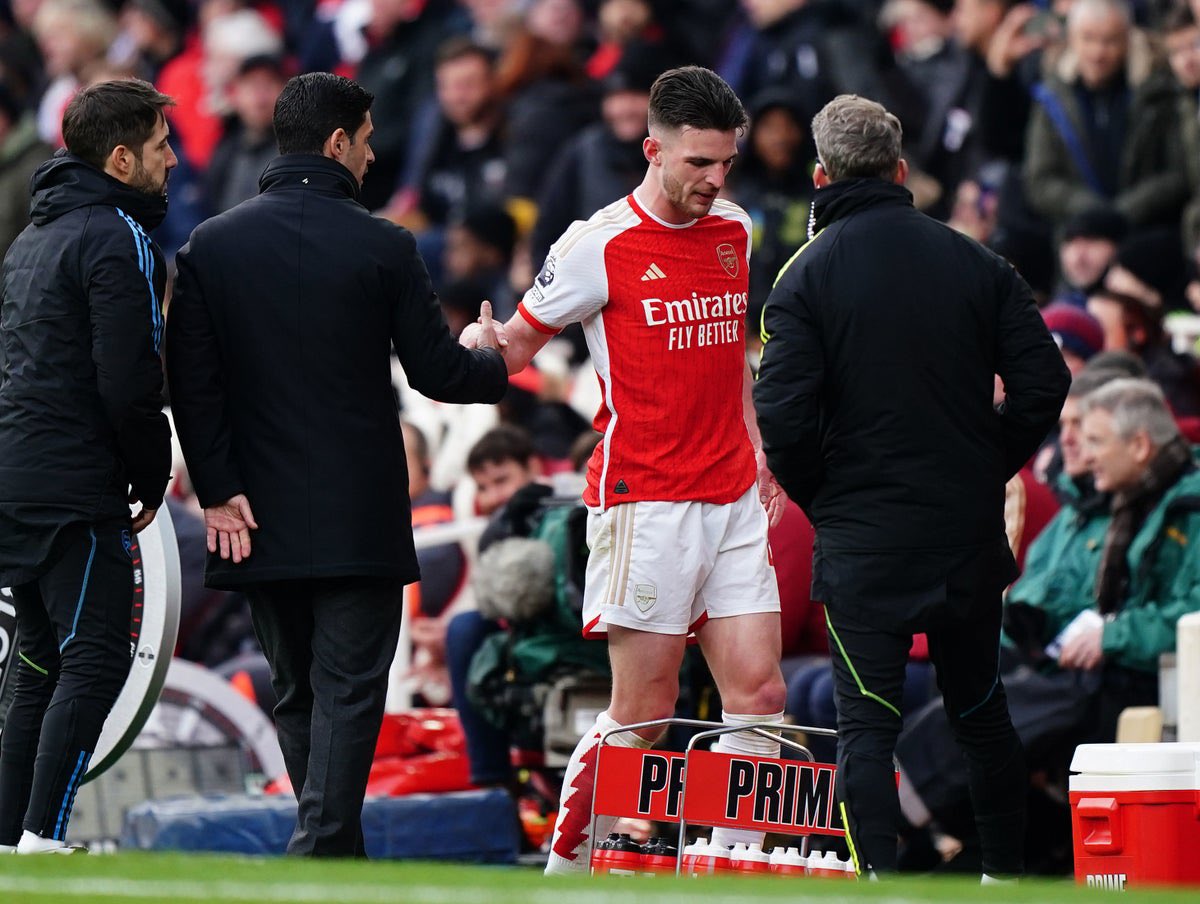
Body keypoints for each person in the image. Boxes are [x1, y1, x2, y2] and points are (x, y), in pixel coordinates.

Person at [164, 72, 508, 857]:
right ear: (337, 143)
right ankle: (323, 846)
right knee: (349, 691)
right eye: (368, 137)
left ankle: (328, 846)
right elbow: (439, 374)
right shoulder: (384, 244)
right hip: (357, 507)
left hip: (251, 513)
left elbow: (192, 386)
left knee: (298, 690)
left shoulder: (211, 246)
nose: (375, 151)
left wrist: (217, 492)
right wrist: (492, 359)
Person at [462, 65, 789, 874]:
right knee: (643, 713)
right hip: (647, 500)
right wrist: (479, 345)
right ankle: (565, 873)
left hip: (734, 495)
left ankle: (729, 871)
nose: (716, 181)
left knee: (761, 697)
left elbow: (733, 360)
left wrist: (760, 452)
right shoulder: (596, 242)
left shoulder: (736, 231)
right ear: (653, 149)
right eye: (698, 165)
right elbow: (518, 347)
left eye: (726, 164)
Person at [753, 94, 1070, 879]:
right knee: (979, 711)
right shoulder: (976, 261)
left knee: (868, 729)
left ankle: (880, 890)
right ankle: (1003, 881)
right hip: (962, 534)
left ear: (821, 175)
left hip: (864, 541)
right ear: (901, 171)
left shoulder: (803, 277)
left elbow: (783, 417)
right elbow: (1046, 380)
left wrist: (828, 498)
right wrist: (987, 462)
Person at [0, 78, 177, 854]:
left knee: (37, 661)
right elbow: (129, 378)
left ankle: (9, 838)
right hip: (74, 480)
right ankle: (44, 833)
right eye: (162, 146)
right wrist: (151, 469)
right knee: (97, 656)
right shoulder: (117, 235)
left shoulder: (29, 239)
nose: (173, 161)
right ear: (121, 157)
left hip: (15, 472)